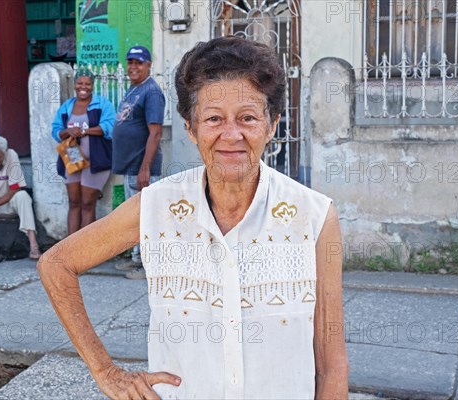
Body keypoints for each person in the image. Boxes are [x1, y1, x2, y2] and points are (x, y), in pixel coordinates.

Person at [38, 36, 348, 399]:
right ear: (191, 128)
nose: (231, 135)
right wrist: (105, 371)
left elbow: (331, 364)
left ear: (271, 124)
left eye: (247, 117)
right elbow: (56, 264)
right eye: (214, 118)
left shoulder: (313, 216)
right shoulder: (156, 208)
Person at [111, 45, 166, 274]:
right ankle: (137, 257)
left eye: (139, 62)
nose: (133, 66)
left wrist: (145, 168)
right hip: (131, 166)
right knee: (136, 217)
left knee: (146, 217)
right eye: (130, 62)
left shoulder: (151, 92)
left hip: (141, 167)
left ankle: (149, 266)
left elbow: (155, 132)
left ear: (148, 65)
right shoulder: (134, 89)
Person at [52, 68, 116, 236]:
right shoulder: (67, 107)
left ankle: (85, 251)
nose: (84, 87)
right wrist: (68, 132)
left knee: (88, 204)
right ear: (74, 85)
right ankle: (69, 248)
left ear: (92, 86)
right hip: (72, 161)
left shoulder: (102, 104)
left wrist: (85, 131)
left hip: (96, 162)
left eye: (87, 84)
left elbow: (110, 127)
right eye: (80, 83)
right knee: (74, 203)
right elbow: (56, 131)